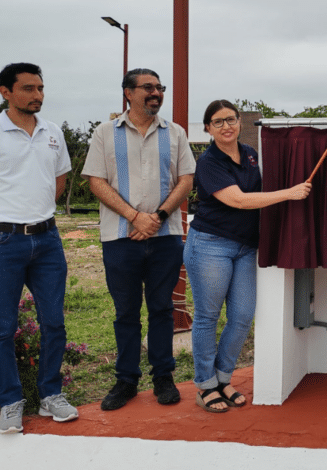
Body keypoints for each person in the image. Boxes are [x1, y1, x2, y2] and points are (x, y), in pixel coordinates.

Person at [185, 100, 311, 412]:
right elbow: (239, 201)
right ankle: (205, 386)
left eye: (230, 119)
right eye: (217, 122)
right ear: (207, 129)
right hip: (210, 245)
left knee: (242, 316)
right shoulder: (208, 162)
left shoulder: (251, 154)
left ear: (240, 122)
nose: (225, 126)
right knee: (207, 317)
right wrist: (289, 193)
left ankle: (223, 378)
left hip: (244, 247)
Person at [82, 68, 196, 411]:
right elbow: (96, 182)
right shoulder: (105, 133)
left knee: (162, 308)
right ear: (128, 93)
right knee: (126, 312)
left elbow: (186, 179)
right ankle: (126, 380)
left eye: (159, 88)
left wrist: (157, 218)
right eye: (148, 87)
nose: (156, 93)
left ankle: (163, 376)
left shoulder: (174, 133)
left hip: (166, 238)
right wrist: (135, 217)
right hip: (119, 238)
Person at [0, 62, 79, 433]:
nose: (38, 95)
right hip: (5, 241)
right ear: (5, 92)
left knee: (54, 322)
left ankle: (50, 396)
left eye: (41, 88)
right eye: (29, 88)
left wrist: (39, 215)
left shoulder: (53, 132)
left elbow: (58, 181)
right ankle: (10, 402)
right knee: (2, 328)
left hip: (47, 240)